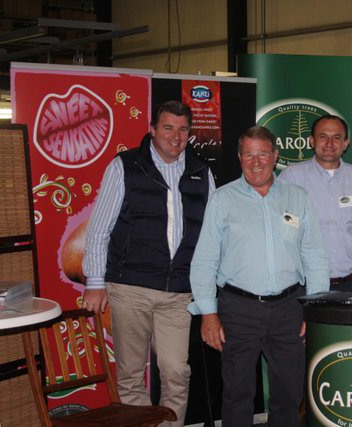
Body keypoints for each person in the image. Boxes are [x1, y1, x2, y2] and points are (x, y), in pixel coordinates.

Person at [82, 100, 215, 427]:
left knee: (176, 372)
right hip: (130, 288)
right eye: (168, 128)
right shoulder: (125, 166)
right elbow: (99, 229)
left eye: (183, 129)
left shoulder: (201, 172)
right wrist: (95, 282)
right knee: (130, 375)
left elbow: (213, 235)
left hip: (179, 294)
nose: (176, 136)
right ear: (153, 130)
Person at [189, 126, 329, 427]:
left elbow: (315, 256)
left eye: (263, 154)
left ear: (275, 156)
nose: (256, 162)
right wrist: (208, 314)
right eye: (249, 155)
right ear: (239, 158)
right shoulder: (222, 199)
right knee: (237, 395)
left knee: (289, 395)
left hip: (290, 308)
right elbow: (204, 260)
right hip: (238, 309)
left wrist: (314, 310)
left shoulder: (298, 197)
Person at [279, 114, 352, 291]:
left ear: (345, 143)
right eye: (323, 136)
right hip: (305, 285)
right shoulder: (291, 177)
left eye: (336, 137)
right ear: (311, 141)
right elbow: (274, 224)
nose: (329, 143)